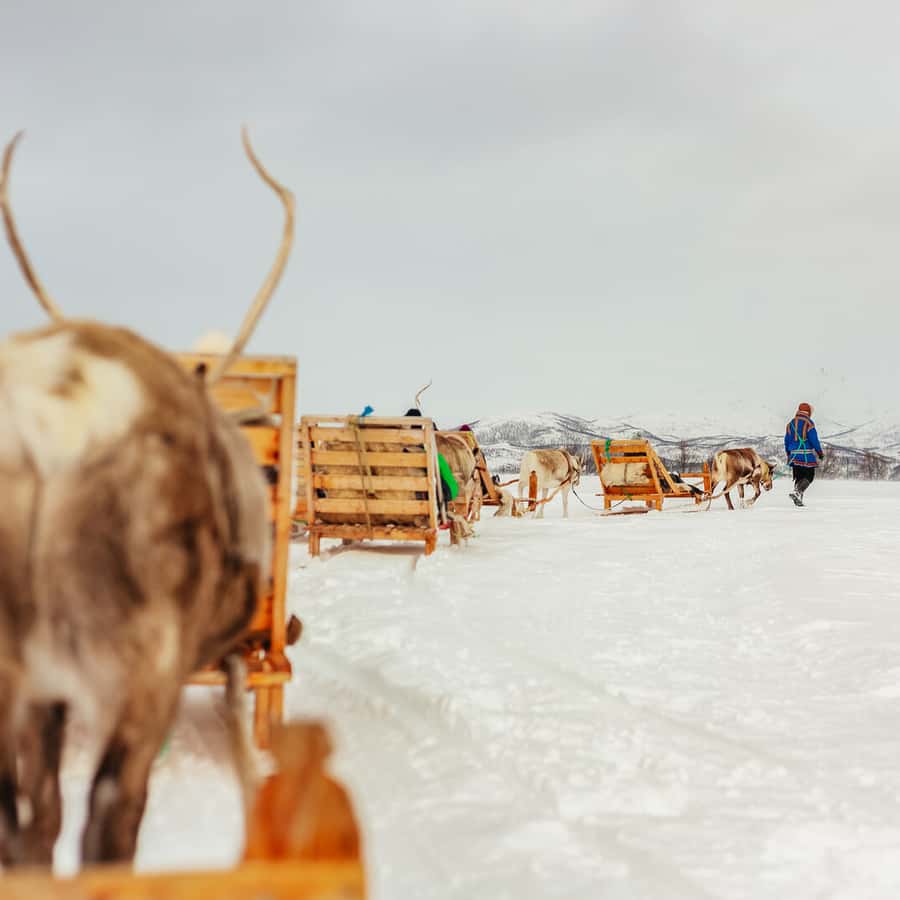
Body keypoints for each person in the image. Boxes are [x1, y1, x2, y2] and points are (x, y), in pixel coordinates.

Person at [784, 402, 824, 507]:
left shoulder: (790, 424)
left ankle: (798, 500)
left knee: (799, 477)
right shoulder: (809, 423)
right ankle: (797, 493)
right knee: (809, 476)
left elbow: (786, 440)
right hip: (805, 456)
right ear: (808, 411)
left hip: (794, 455)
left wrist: (788, 453)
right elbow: (814, 439)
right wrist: (819, 452)